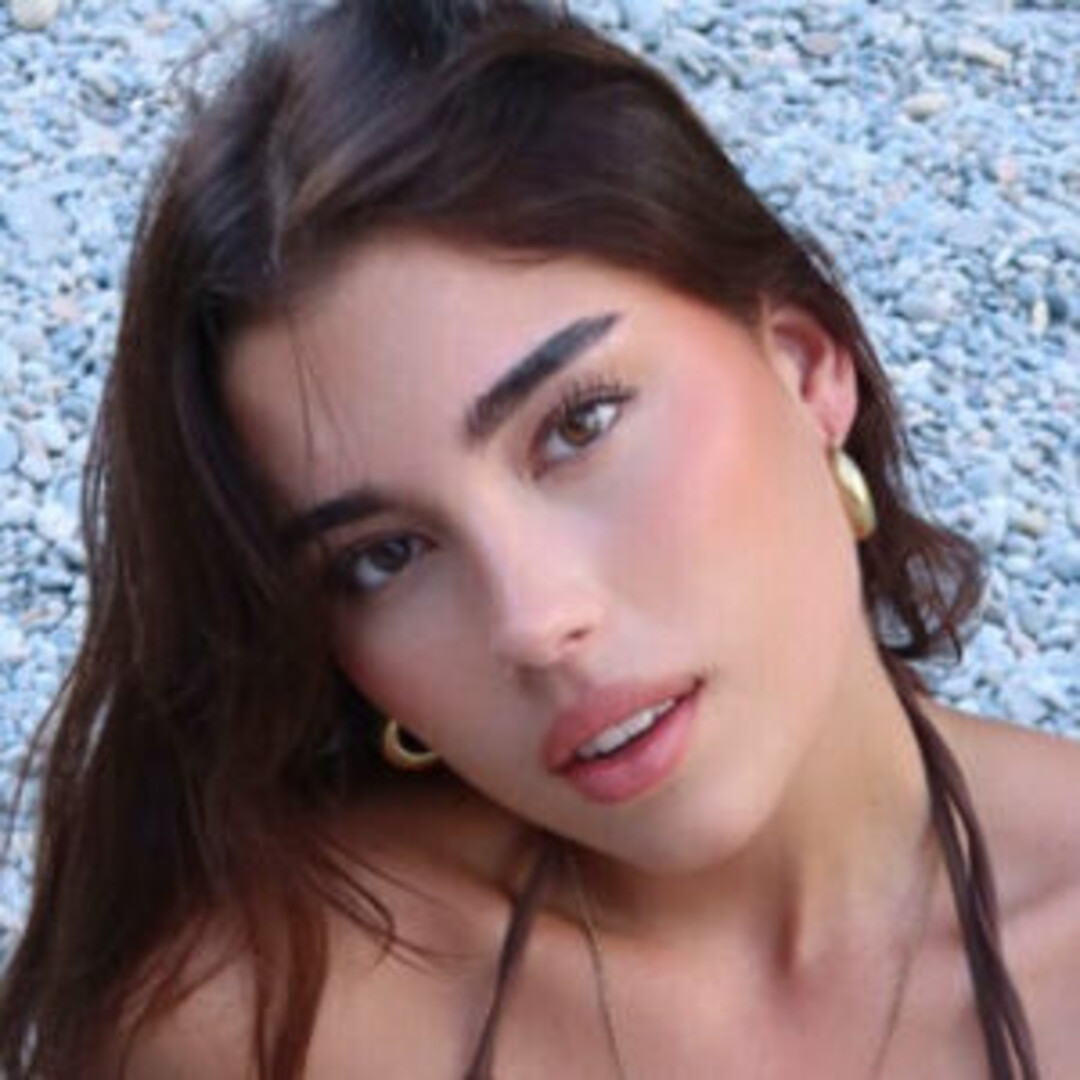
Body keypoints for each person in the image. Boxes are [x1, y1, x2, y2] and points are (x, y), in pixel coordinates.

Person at [0, 1, 1077, 1076]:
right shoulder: (272, 1020)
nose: (532, 620)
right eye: (384, 554)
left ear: (804, 366)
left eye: (579, 426)